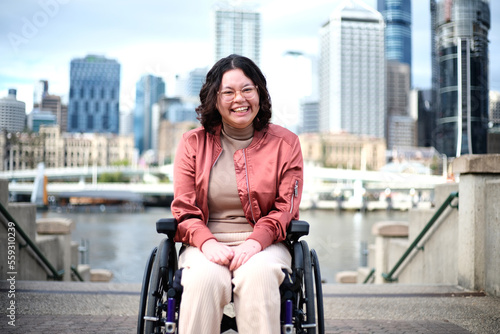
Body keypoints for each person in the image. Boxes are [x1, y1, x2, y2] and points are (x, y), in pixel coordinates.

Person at [171, 54, 303, 334]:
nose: (239, 99)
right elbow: (184, 209)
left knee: (259, 276)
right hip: (204, 243)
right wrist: (207, 243)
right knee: (203, 280)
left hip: (265, 245)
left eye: (247, 89)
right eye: (228, 92)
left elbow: (285, 209)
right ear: (215, 99)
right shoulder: (192, 143)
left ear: (259, 93)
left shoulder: (286, 144)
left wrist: (255, 244)